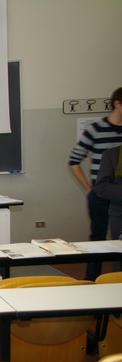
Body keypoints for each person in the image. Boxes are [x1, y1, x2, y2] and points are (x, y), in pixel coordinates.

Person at [69, 87, 122, 280]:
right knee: (98, 237)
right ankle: (91, 279)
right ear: (118, 104)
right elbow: (74, 160)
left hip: (120, 195)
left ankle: (118, 279)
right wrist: (89, 188)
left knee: (119, 240)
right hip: (101, 193)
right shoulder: (96, 129)